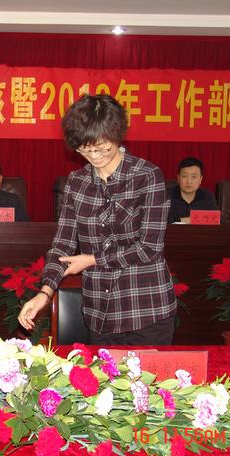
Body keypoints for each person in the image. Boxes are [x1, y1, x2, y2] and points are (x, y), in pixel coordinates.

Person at [18, 94, 176, 345]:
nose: (94, 155)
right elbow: (62, 245)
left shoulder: (146, 176)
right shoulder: (77, 182)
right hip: (100, 313)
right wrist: (45, 293)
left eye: (102, 147)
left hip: (146, 308)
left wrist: (92, 260)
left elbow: (149, 248)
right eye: (85, 149)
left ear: (117, 136)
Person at [167, 156, 218, 223]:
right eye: (184, 176)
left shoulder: (208, 197)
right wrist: (186, 220)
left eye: (194, 177)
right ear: (178, 178)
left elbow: (216, 220)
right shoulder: (166, 196)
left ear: (200, 179)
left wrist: (189, 220)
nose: (189, 181)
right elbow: (161, 220)